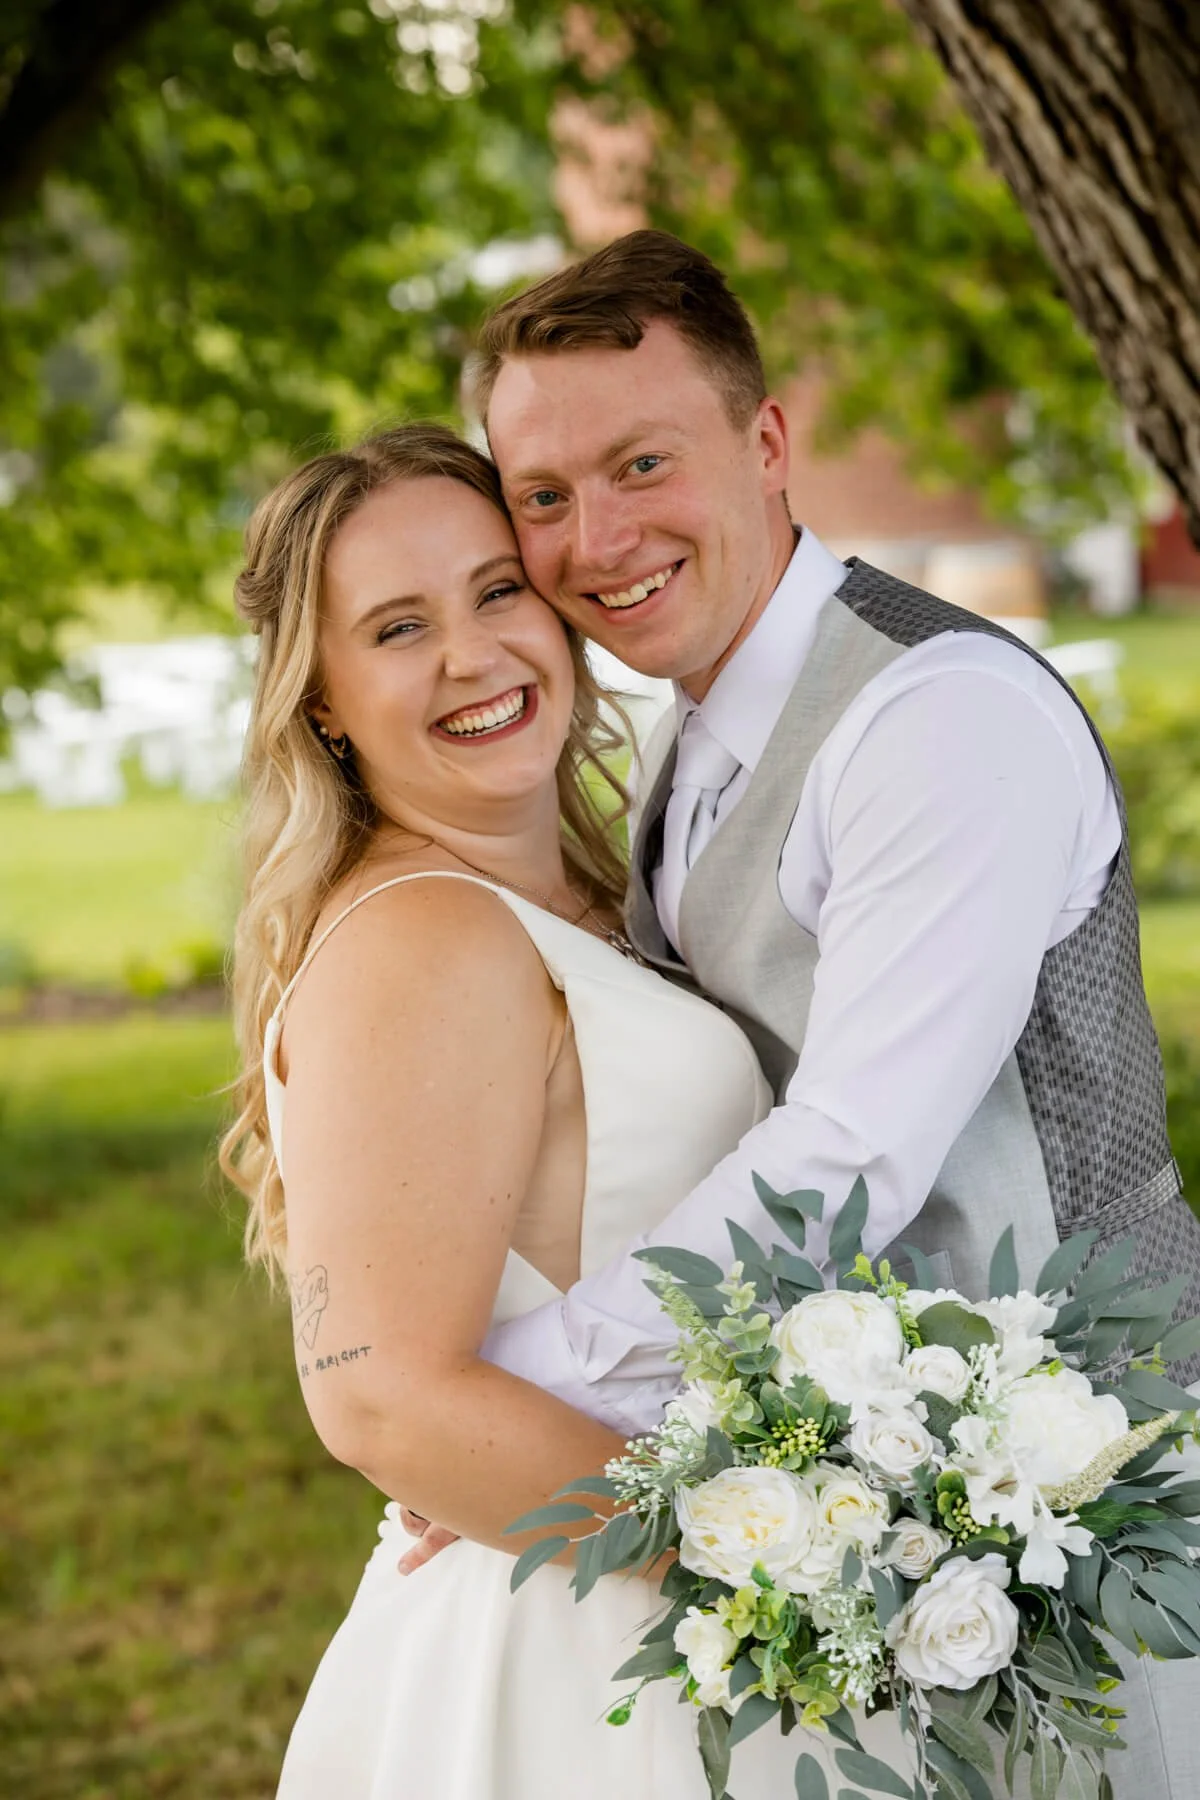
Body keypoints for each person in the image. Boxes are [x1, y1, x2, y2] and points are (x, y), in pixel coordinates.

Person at [404, 230, 1199, 1794]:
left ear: (766, 444)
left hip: (1100, 1473)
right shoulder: (687, 740)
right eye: (543, 497)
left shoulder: (936, 715)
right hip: (880, 1504)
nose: (597, 539)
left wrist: (520, 1389)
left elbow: (852, 1151)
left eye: (643, 464)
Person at [219, 423, 831, 1795]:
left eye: (498, 590)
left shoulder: (578, 895)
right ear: (321, 700)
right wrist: (788, 1558)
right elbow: (383, 1401)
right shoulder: (425, 937)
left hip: (666, 1605)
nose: (473, 654)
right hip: (594, 1652)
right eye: (399, 628)